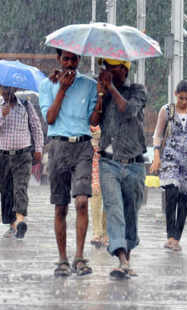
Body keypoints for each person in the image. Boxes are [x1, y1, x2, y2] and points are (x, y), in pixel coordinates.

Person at [39, 49, 97, 277]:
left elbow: (94, 119)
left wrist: (101, 95)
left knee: (82, 201)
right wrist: (62, 89)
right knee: (60, 206)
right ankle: (62, 259)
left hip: (83, 145)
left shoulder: (89, 85)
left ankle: (79, 257)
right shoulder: (47, 85)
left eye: (74, 59)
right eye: (66, 59)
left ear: (79, 60)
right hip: (58, 146)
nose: (70, 63)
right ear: (58, 60)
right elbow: (50, 118)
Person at [91, 58, 147, 278]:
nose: (107, 73)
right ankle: (121, 258)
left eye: (111, 69)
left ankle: (126, 260)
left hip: (134, 163)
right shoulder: (103, 92)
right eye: (105, 69)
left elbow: (129, 110)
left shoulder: (137, 91)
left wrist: (112, 88)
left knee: (131, 213)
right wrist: (100, 96)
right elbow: (94, 120)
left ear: (123, 70)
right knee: (113, 209)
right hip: (108, 163)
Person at [0, 84, 43, 239]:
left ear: (15, 90)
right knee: (6, 191)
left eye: (9, 90)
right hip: (2, 156)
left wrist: (38, 149)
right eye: (3, 89)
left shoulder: (26, 105)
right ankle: (12, 224)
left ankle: (20, 220)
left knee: (20, 188)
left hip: (22, 155)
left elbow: (36, 127)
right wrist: (1, 116)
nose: (6, 93)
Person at [150, 80, 187, 252]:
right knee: (171, 193)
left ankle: (177, 238)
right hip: (170, 158)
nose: (184, 102)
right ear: (175, 94)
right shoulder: (167, 110)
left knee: (184, 197)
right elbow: (158, 133)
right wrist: (156, 155)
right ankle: (170, 235)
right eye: (181, 98)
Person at [89, 125, 108, 249]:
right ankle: (97, 232)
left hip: (109, 159)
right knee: (95, 194)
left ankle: (106, 233)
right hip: (93, 159)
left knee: (109, 196)